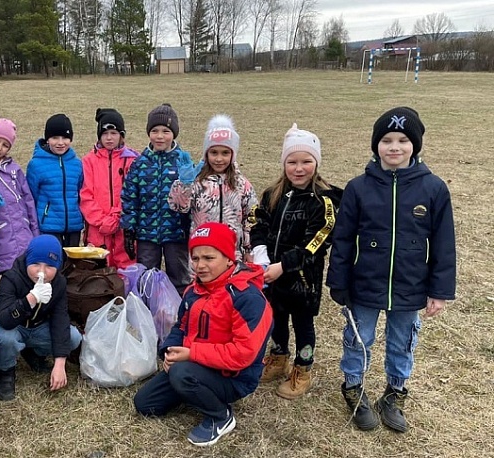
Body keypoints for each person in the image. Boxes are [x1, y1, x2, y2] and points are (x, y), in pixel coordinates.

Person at [326, 107, 456, 432]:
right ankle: (354, 387)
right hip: (364, 284)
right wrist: (338, 281)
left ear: (415, 145)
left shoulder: (434, 189)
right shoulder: (358, 188)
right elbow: (342, 239)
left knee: (402, 342)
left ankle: (395, 393)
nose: (394, 147)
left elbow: (443, 244)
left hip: (410, 286)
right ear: (376, 145)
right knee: (359, 339)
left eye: (402, 140)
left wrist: (439, 291)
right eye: (386, 140)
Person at [133, 222, 273, 447]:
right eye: (196, 258)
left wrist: (190, 354)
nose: (200, 266)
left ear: (229, 258)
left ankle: (221, 417)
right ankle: (192, 386)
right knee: (145, 404)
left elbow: (242, 355)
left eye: (209, 258)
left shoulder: (248, 298)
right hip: (195, 365)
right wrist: (168, 351)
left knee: (181, 373)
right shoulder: (193, 290)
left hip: (234, 378)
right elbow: (181, 326)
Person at [248, 124, 343, 399]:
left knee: (303, 325)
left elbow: (316, 242)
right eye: (292, 161)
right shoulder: (272, 194)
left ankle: (303, 367)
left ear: (317, 162)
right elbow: (258, 222)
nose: (298, 168)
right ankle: (278, 358)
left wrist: (283, 266)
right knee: (276, 319)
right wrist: (261, 251)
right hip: (271, 275)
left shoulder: (323, 201)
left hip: (303, 280)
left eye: (306, 161)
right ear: (284, 163)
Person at [0, 235, 83, 401]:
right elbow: (5, 320)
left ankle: (33, 352)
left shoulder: (59, 282)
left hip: (37, 327)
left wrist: (60, 364)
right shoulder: (11, 277)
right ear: (28, 260)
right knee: (5, 338)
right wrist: (30, 299)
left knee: (73, 337)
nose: (41, 271)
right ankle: (4, 371)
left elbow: (60, 319)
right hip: (9, 326)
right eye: (35, 264)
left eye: (50, 266)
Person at [121, 103, 192, 294]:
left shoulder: (182, 162)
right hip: (146, 233)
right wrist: (129, 229)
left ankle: (180, 316)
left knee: (180, 278)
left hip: (175, 233)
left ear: (174, 134)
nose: (160, 136)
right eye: (155, 131)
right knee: (146, 279)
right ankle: (146, 318)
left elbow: (192, 195)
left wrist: (189, 225)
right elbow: (130, 198)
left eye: (165, 131)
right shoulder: (139, 163)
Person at [168, 114, 257, 262]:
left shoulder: (241, 184)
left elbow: (252, 218)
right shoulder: (197, 181)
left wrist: (249, 248)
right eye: (214, 152)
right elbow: (177, 206)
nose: (219, 159)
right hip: (201, 254)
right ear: (206, 153)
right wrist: (184, 183)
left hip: (232, 256)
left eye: (225, 153)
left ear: (233, 154)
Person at [0, 118, 39, 277]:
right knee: (9, 279)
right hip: (0, 235)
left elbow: (28, 202)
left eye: (5, 145)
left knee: (26, 276)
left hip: (23, 234)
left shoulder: (14, 169)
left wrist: (35, 231)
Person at [80, 108, 139, 268]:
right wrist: (102, 221)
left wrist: (116, 216)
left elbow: (133, 195)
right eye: (105, 133)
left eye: (113, 133)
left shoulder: (132, 160)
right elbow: (86, 195)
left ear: (121, 135)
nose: (109, 138)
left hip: (123, 227)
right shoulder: (89, 161)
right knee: (98, 271)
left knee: (126, 269)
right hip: (98, 230)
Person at [26, 113, 84, 248]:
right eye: (54, 138)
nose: (60, 142)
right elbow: (31, 196)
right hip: (48, 227)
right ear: (47, 139)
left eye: (65, 138)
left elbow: (80, 191)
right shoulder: (36, 165)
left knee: (72, 266)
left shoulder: (77, 164)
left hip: (74, 226)